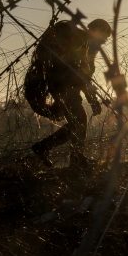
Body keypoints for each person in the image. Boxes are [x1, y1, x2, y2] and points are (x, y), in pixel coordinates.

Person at [27, 18, 112, 168]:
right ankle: (74, 158)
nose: (103, 43)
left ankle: (46, 148)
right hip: (63, 87)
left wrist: (92, 99)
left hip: (66, 87)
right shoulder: (80, 41)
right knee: (79, 120)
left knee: (77, 122)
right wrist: (91, 99)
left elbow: (84, 78)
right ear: (97, 31)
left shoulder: (86, 45)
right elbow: (79, 74)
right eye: (103, 38)